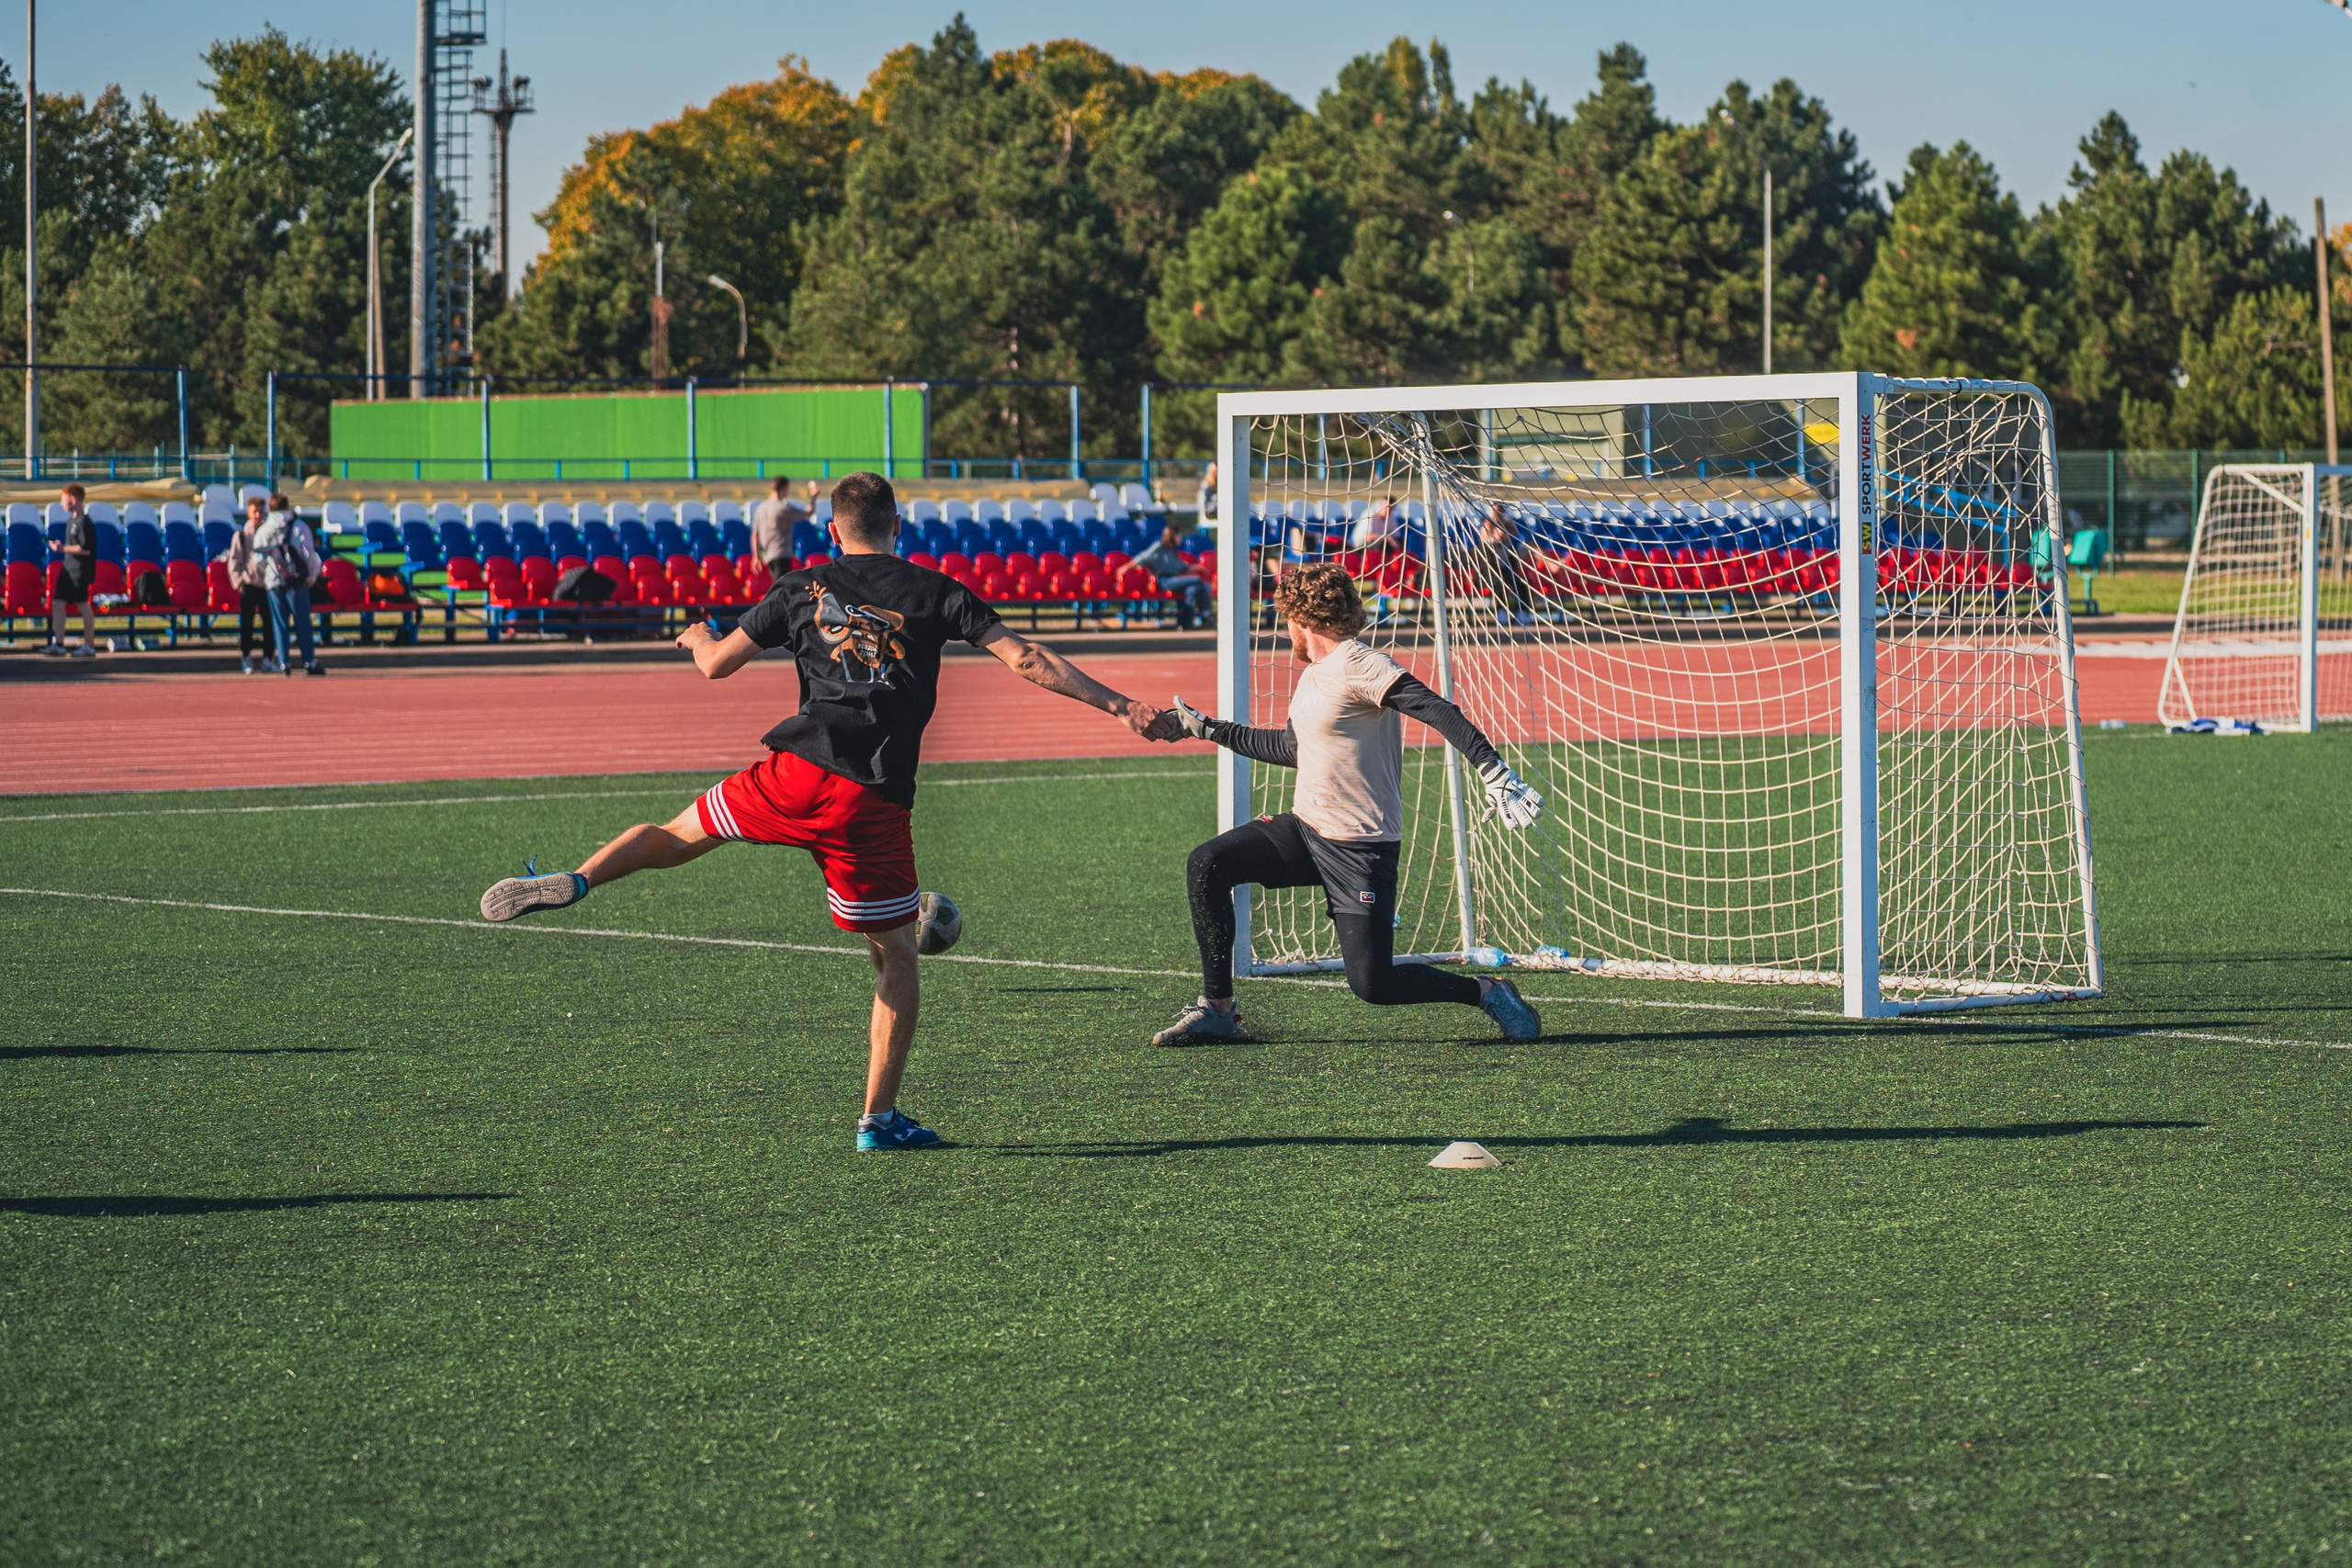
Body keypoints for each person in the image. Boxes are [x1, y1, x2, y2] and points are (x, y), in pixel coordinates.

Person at [478, 471, 1181, 1152]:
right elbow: (1025, 657)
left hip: (792, 772)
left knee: (677, 833)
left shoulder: (800, 586)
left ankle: (578, 879)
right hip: (866, 802)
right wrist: (1121, 705)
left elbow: (717, 665)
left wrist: (694, 637)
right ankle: (878, 1118)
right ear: (898, 525)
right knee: (896, 958)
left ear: (833, 530)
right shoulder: (936, 590)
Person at [1152, 561, 1546, 1047]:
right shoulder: (1315, 674)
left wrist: (1493, 770)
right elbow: (1291, 749)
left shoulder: (1360, 663)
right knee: (1208, 863)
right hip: (1306, 829)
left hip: (1360, 847)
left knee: (1374, 984)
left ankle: (1487, 991)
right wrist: (1209, 729)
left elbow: (1437, 708)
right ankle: (1217, 1010)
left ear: (1297, 618)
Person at [253, 494, 323, 676]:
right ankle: (309, 662)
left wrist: (269, 571)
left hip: (274, 581)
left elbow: (258, 559)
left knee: (280, 623)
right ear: (287, 507)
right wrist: (311, 576)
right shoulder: (299, 526)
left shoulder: (265, 529)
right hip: (297, 581)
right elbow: (309, 554)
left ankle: (284, 663)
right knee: (303, 623)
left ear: (270, 509)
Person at [43, 483, 98, 657]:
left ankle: (89, 645)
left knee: (83, 605)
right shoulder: (71, 521)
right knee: (58, 603)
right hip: (68, 569)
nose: (61, 504)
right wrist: (63, 547)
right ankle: (59, 644)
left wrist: (63, 548)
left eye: (64, 500)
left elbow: (85, 549)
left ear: (73, 500)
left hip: (79, 570)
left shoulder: (84, 523)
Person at [1126, 520, 1211, 629]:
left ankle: (1184, 623)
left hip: (1175, 580)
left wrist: (1199, 567)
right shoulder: (1159, 547)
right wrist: (1126, 568)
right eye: (1179, 535)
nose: (1181, 538)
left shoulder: (1172, 551)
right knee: (1197, 580)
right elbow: (1143, 557)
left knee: (1193, 589)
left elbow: (1182, 568)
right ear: (1173, 536)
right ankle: (1206, 615)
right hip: (1164, 581)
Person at [226, 494, 275, 672]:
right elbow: (234, 561)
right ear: (248, 513)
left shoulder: (269, 533)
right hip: (249, 584)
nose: (258, 515)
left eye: (261, 511)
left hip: (267, 585)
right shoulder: (241, 535)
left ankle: (268, 659)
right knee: (247, 624)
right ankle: (246, 657)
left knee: (269, 624)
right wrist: (239, 582)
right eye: (255, 511)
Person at [1476, 501, 1533, 626]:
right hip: (1490, 571)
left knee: (1522, 583)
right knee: (1498, 582)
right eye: (1496, 511)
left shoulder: (1508, 532)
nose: (1498, 514)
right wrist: (1496, 534)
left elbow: (1514, 535)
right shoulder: (1487, 526)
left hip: (1507, 571)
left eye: (1501, 511)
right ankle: (1501, 611)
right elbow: (1484, 540)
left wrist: (1505, 530)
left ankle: (1522, 612)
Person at [750, 474, 805, 578]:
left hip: (768, 555)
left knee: (780, 586)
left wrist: (756, 557)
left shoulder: (760, 508)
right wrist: (814, 497)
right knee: (781, 589)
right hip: (781, 553)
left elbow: (755, 535)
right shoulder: (783, 507)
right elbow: (806, 514)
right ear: (784, 489)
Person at [1195, 462, 1218, 526]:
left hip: (1214, 515)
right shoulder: (1206, 485)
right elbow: (1203, 505)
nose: (1216, 474)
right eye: (1214, 471)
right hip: (1208, 517)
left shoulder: (1216, 485)